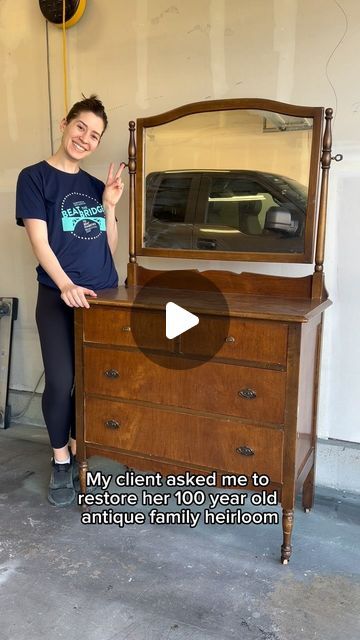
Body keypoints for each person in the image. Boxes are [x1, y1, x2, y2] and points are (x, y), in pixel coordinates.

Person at [16, 94, 125, 507]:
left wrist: (109, 207)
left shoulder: (95, 187)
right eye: (81, 127)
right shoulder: (34, 178)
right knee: (61, 383)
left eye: (94, 135)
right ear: (65, 124)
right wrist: (65, 285)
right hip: (59, 296)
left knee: (92, 384)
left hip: (101, 298)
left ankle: (80, 453)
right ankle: (60, 460)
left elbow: (106, 248)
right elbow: (39, 242)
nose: (85, 138)